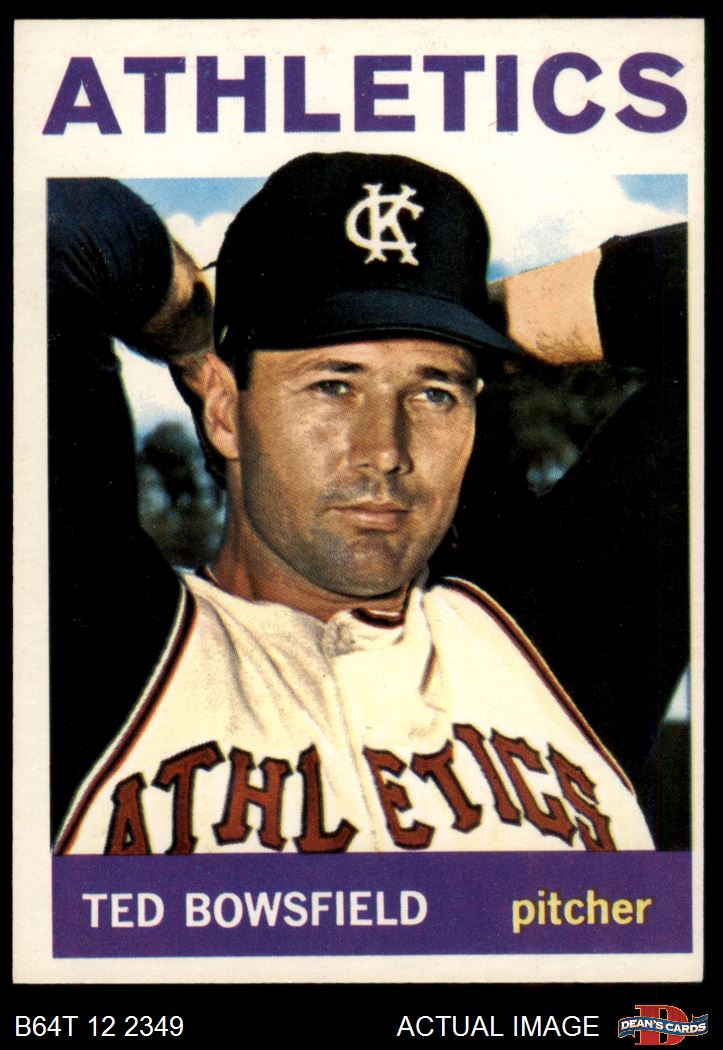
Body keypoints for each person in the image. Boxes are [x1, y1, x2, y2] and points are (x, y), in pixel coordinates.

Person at [49, 154, 677, 856]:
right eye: (333, 385)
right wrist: (195, 339)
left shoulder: (561, 644)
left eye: (434, 392)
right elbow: (60, 229)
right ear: (224, 410)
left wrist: (490, 322)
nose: (385, 450)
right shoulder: (98, 648)